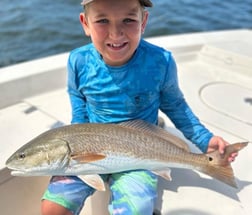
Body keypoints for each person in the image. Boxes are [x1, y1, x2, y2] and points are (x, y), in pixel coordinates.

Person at [41, 0, 237, 214]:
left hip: (141, 149)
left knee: (137, 210)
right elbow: (78, 105)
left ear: (143, 21)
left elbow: (176, 106)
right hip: (87, 150)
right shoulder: (78, 60)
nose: (116, 34)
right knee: (53, 209)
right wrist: (78, 143)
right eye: (103, 20)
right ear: (85, 23)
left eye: (128, 20)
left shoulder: (161, 61)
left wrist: (205, 140)